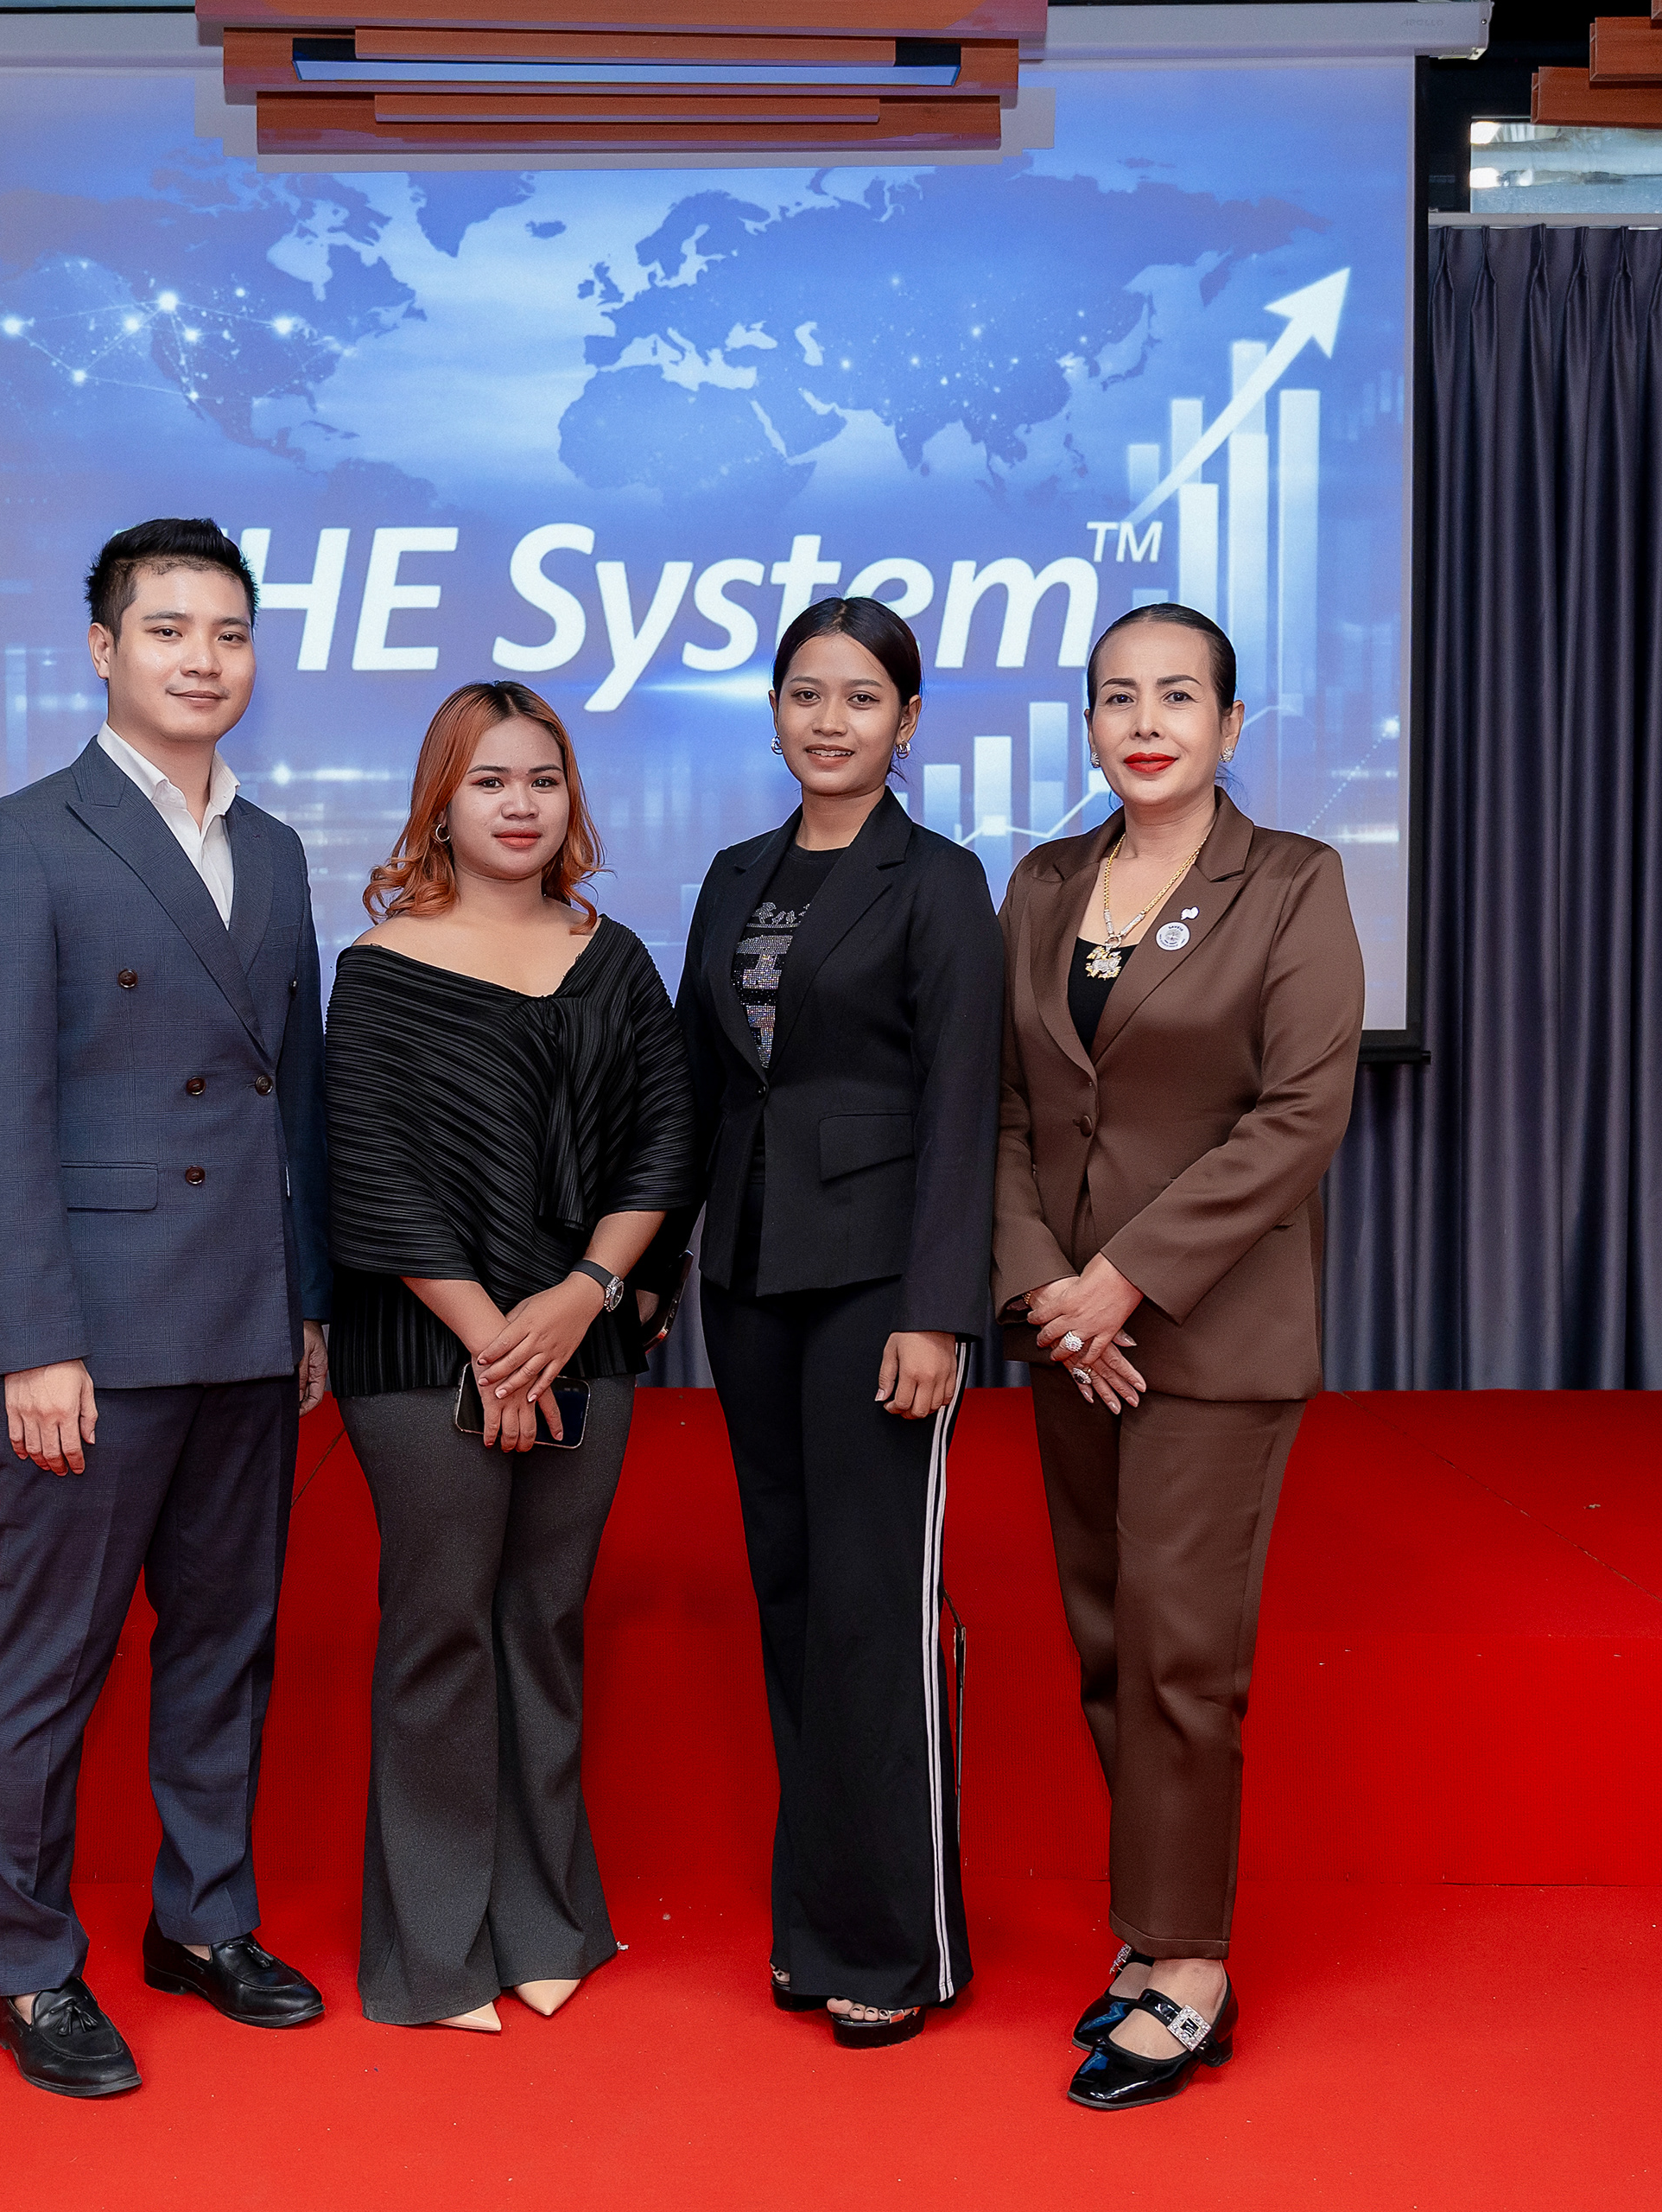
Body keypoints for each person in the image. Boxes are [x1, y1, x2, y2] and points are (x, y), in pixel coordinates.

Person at [0, 518, 335, 2100]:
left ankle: (203, 1922)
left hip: (246, 1313)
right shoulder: (19, 840)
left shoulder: (279, 850)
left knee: (227, 1645)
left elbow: (294, 1099)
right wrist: (34, 1339)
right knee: (49, 1661)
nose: (202, 659)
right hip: (95, 1329)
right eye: (167, 630)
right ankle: (32, 1968)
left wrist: (308, 1302)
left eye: (228, 632)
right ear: (103, 650)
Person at [992, 601, 1364, 2112]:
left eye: (1178, 696)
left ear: (1229, 722)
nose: (1146, 722)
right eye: (1117, 697)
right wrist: (1049, 1295)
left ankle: (1191, 1965)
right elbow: (1006, 1112)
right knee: (1107, 1643)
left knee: (1181, 1655)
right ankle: (1153, 1930)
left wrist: (1124, 1283)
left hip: (1206, 1333)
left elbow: (1300, 1116)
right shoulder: (1042, 883)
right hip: (1070, 1337)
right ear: (1088, 722)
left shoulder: (1293, 880)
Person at [322, 680, 698, 2031]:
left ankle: (543, 1924)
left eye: (543, 778)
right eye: (489, 781)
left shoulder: (616, 958)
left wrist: (585, 1296)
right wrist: (497, 1343)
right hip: (424, 1354)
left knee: (541, 1626)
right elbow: (372, 1173)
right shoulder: (380, 969)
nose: (520, 804)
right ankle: (433, 1954)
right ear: (442, 803)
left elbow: (667, 1140)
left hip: (584, 1340)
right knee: (442, 1630)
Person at [673, 597, 1003, 2049]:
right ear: (773, 711)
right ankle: (818, 1928)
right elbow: (699, 1084)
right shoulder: (735, 874)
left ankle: (899, 1946)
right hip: (748, 1276)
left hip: (879, 1293)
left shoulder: (938, 881)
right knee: (795, 1601)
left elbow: (964, 1105)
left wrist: (939, 1312)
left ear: (907, 722)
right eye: (806, 693)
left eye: (862, 698)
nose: (830, 720)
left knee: (874, 1613)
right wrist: (648, 1270)